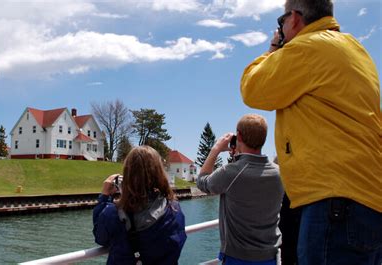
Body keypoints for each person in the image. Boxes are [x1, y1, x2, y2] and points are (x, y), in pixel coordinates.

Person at [240, 0, 382, 264]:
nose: (281, 29)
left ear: (294, 18)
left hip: (334, 203)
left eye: (281, 22)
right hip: (369, 203)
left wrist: (273, 48)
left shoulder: (307, 47)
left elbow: (252, 87)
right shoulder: (356, 49)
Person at [197, 114, 284, 265]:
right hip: (270, 256)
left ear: (239, 137)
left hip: (237, 257)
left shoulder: (231, 172)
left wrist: (216, 149)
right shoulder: (280, 173)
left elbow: (202, 182)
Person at [93, 145, 187, 265]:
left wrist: (104, 198)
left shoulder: (113, 213)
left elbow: (100, 238)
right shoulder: (174, 209)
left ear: (127, 175)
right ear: (159, 173)